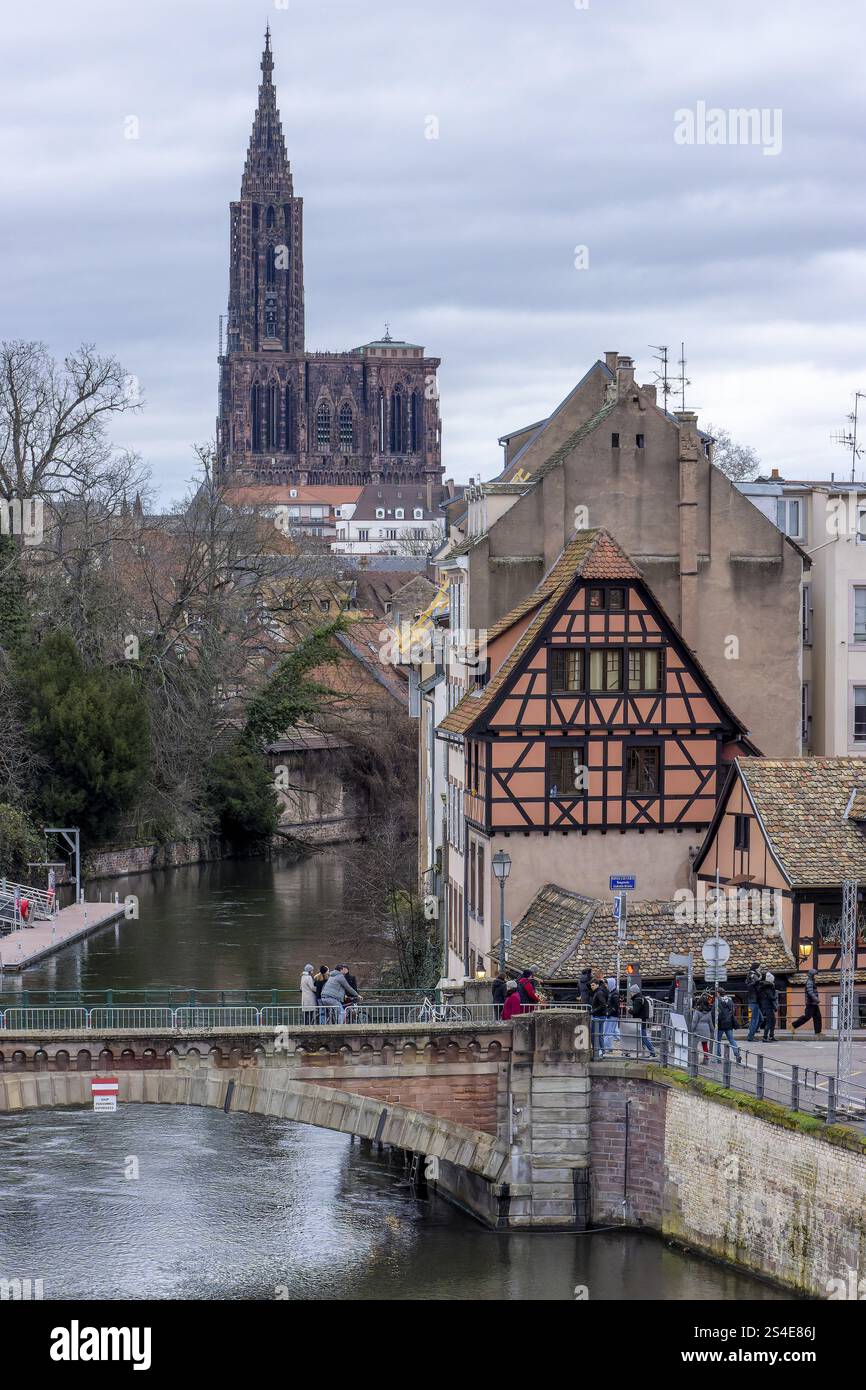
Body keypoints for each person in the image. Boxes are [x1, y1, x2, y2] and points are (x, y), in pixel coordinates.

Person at [629, 984, 656, 1058]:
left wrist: (629, 1010)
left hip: (639, 1021)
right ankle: (643, 1052)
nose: (630, 993)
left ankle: (652, 1052)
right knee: (642, 1037)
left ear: (634, 992)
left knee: (643, 1037)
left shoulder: (637, 999)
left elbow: (635, 1011)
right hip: (642, 1020)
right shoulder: (642, 998)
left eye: (631, 991)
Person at [715, 991, 742, 1063]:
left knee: (718, 1041)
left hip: (720, 1024)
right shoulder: (730, 1001)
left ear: (719, 993)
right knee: (731, 1040)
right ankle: (737, 1055)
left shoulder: (717, 1001)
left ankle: (718, 1058)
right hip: (729, 1023)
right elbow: (733, 1011)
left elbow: (714, 1012)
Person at [792, 970, 822, 1034]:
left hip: (814, 1003)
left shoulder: (812, 981)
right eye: (815, 975)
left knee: (817, 1016)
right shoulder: (810, 982)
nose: (815, 976)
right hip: (810, 1003)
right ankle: (793, 1025)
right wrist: (816, 999)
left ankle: (818, 1032)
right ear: (812, 975)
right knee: (807, 1016)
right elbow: (810, 992)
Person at [692, 991, 714, 1063]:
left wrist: (692, 1029)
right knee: (705, 1045)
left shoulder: (697, 1011)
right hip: (706, 1030)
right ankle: (706, 1060)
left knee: (694, 1045)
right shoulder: (708, 1011)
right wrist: (712, 1031)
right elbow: (710, 1022)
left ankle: (694, 1060)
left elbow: (694, 1021)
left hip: (697, 1030)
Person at [590, 975, 610, 1055]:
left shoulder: (599, 993)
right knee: (598, 1033)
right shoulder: (598, 992)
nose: (592, 987)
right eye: (591, 985)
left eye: (593, 985)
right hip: (599, 1015)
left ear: (597, 985)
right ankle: (600, 1050)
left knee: (596, 1034)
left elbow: (603, 1004)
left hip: (599, 1016)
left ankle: (598, 1050)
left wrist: (593, 1011)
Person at [745, 962, 764, 1042]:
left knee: (761, 1019)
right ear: (756, 968)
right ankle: (750, 1036)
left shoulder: (751, 974)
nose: (760, 969)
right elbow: (757, 982)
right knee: (755, 1020)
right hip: (754, 1000)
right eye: (759, 967)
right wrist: (760, 975)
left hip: (754, 1000)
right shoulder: (753, 974)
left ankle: (752, 1032)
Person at [602, 976, 621, 1055]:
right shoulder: (612, 992)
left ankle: (608, 1047)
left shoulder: (614, 993)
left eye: (607, 983)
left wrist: (608, 1012)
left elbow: (615, 1006)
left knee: (609, 1032)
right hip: (611, 1015)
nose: (606, 985)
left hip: (612, 1015)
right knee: (611, 1031)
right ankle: (609, 1047)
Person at [758, 972, 778, 1042]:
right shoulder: (768, 987)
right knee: (770, 1021)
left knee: (773, 1021)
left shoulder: (766, 986)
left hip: (767, 1005)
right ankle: (765, 1037)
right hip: (768, 1006)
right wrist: (776, 995)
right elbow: (771, 997)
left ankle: (771, 1036)